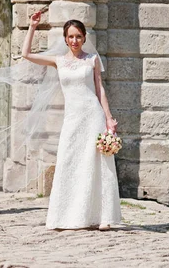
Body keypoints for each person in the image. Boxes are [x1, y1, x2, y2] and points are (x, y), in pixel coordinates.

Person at [21, 13, 122, 230]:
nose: (74, 40)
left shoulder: (92, 60)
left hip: (92, 116)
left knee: (98, 165)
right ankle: (66, 217)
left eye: (78, 36)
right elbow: (26, 54)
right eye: (70, 36)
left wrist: (109, 119)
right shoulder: (58, 61)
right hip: (72, 119)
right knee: (69, 162)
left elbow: (99, 89)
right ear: (65, 39)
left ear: (84, 38)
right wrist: (32, 26)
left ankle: (103, 217)